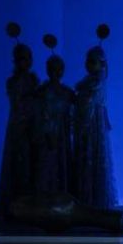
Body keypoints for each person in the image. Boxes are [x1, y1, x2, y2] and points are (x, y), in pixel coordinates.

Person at [0, 24, 40, 217]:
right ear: (16, 60)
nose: (27, 62)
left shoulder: (33, 79)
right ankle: (15, 206)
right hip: (18, 126)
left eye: (29, 58)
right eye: (23, 58)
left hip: (31, 125)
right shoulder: (13, 81)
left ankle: (28, 206)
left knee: (30, 163)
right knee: (18, 163)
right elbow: (18, 103)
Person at [73, 25, 117, 209]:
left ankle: (95, 200)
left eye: (92, 62)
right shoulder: (90, 82)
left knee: (94, 155)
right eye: (88, 61)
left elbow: (88, 101)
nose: (88, 65)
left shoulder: (96, 83)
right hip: (90, 122)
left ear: (101, 64)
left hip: (93, 123)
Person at [33, 35, 75, 195]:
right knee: (47, 162)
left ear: (63, 71)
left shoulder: (67, 92)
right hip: (46, 132)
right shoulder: (42, 91)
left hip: (62, 133)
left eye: (59, 69)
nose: (56, 72)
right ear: (47, 70)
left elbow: (76, 105)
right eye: (52, 69)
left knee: (60, 161)